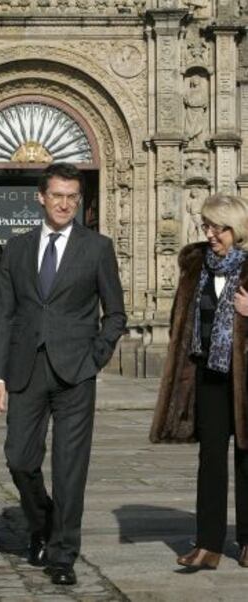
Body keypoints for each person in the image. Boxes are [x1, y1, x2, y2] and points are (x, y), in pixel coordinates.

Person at [0, 162, 126, 585]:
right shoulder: (17, 248)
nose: (65, 203)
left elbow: (115, 314)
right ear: (41, 198)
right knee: (18, 458)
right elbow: (4, 315)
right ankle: (42, 519)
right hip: (25, 370)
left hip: (74, 373)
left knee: (69, 467)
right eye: (57, 195)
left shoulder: (97, 248)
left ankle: (63, 552)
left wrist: (94, 358)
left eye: (72, 197)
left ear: (78, 200)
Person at [150, 193, 248, 571]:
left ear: (235, 229)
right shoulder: (197, 268)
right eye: (206, 226)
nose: (210, 234)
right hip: (209, 374)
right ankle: (208, 544)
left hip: (244, 378)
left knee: (246, 458)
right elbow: (182, 318)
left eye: (217, 228)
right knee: (210, 459)